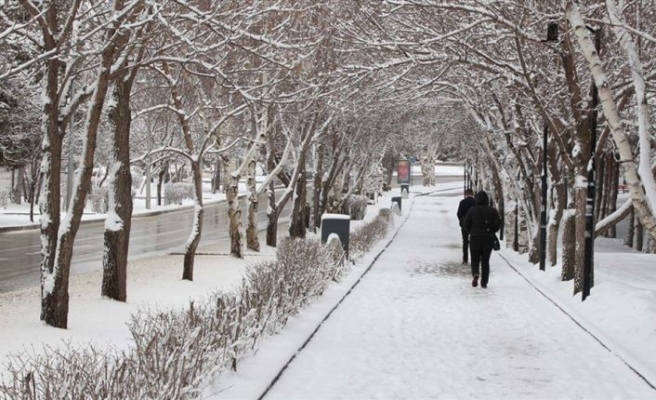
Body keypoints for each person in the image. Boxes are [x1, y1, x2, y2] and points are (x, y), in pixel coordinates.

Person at [463, 190, 501, 289]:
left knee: (475, 259)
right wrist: (491, 230)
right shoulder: (492, 211)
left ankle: (475, 273)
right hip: (487, 238)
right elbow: (498, 225)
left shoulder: (472, 210)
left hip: (475, 238)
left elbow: (466, 224)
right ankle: (484, 282)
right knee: (485, 260)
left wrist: (471, 232)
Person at [456, 189, 475, 264]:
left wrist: (461, 221)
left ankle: (465, 258)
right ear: (472, 194)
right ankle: (475, 258)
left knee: (465, 241)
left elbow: (459, 213)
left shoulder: (462, 202)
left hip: (465, 224)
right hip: (474, 224)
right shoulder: (475, 202)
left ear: (465, 194)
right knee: (474, 242)